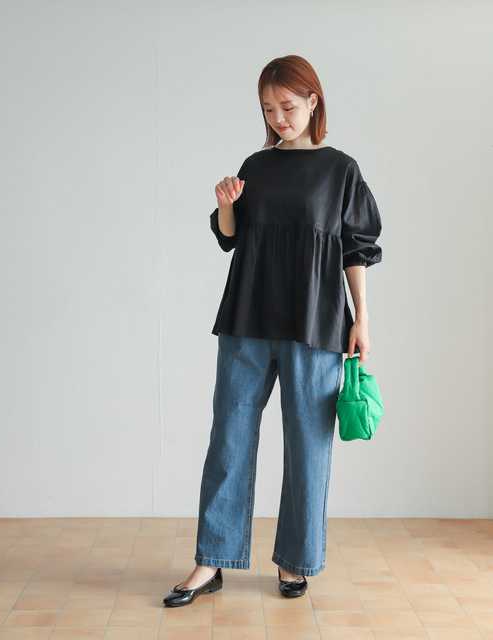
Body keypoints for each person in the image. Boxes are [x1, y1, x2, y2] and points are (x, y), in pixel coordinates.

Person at [163, 54, 382, 607]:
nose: (278, 118)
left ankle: (294, 560)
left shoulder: (340, 170)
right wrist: (226, 205)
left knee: (308, 445)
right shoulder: (256, 166)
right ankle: (212, 559)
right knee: (229, 438)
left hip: (316, 322)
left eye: (287, 106)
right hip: (248, 317)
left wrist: (361, 317)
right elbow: (231, 237)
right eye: (267, 109)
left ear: (313, 101)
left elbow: (356, 248)